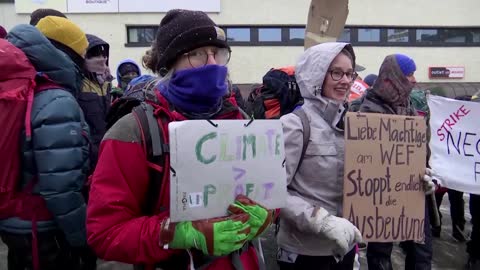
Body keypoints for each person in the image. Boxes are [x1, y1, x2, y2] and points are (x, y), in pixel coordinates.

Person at [86, 9, 272, 270]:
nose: (211, 63)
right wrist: (178, 233)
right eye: (196, 54)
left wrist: (265, 215)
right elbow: (105, 234)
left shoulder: (241, 122)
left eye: (217, 53)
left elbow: (263, 193)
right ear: (169, 64)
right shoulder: (132, 132)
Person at [0, 24, 90, 270]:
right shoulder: (54, 99)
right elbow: (60, 187)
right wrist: (83, 238)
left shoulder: (12, 88)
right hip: (45, 227)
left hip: (12, 221)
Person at [277, 42, 363, 270]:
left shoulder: (355, 125)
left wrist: (410, 182)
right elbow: (272, 191)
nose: (345, 81)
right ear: (316, 76)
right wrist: (320, 220)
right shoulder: (294, 125)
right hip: (303, 253)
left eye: (349, 73)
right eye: (336, 73)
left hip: (344, 247)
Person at [350, 54, 434, 270]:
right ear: (392, 77)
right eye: (409, 74)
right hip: (380, 193)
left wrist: (425, 169)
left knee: (422, 250)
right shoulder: (364, 107)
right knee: (380, 254)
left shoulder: (410, 106)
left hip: (413, 189)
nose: (414, 79)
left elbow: (422, 143)